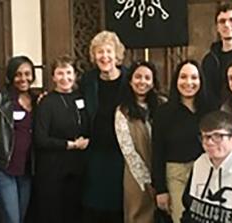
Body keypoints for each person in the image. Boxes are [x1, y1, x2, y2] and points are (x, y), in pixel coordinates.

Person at [0, 56, 37, 223]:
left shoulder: (37, 100)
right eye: (18, 74)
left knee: (22, 216)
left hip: (27, 171)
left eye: (27, 74)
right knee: (12, 219)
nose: (23, 79)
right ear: (11, 77)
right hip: (4, 170)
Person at [152, 60, 211, 223]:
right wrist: (160, 190)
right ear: (176, 81)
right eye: (183, 77)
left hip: (205, 172)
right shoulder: (163, 112)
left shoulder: (209, 109)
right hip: (176, 174)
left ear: (201, 81)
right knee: (181, 218)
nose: (188, 82)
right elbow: (157, 152)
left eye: (194, 77)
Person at [33, 55, 90, 222]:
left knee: (74, 213)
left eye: (68, 73)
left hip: (77, 169)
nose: (65, 78)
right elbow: (40, 139)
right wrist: (71, 145)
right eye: (60, 73)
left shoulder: (81, 97)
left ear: (75, 75)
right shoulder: (46, 102)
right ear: (53, 77)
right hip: (52, 171)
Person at [80, 30, 128, 223]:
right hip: (95, 151)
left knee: (119, 203)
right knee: (95, 204)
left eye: (108, 51)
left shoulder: (129, 79)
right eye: (100, 52)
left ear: (116, 54)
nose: (104, 56)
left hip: (122, 152)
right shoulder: (88, 80)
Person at [114, 61, 165, 223]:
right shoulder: (123, 111)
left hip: (163, 170)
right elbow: (128, 150)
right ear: (130, 81)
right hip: (136, 177)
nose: (142, 81)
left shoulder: (163, 104)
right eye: (138, 77)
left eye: (147, 78)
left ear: (153, 82)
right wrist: (147, 181)